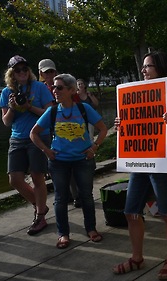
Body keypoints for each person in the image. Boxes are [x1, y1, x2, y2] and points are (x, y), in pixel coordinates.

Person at [112, 51, 167, 279]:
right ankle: (137, 257)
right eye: (143, 67)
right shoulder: (136, 96)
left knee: (166, 213)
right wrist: (121, 126)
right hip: (139, 162)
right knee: (131, 212)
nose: (143, 71)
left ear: (161, 69)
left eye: (148, 66)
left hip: (163, 164)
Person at [30, 73, 107, 249]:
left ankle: (91, 229)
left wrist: (94, 147)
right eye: (53, 88)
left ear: (71, 90)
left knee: (86, 197)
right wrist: (46, 150)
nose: (54, 91)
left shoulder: (83, 109)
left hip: (83, 160)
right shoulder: (52, 111)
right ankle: (63, 234)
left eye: (59, 88)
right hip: (59, 162)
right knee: (60, 198)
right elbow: (33, 133)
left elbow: (103, 129)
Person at [0, 55, 55, 235]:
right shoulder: (7, 92)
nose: (22, 72)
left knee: (38, 177)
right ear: (11, 73)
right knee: (14, 179)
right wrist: (14, 108)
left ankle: (40, 217)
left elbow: (50, 113)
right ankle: (40, 206)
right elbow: (6, 122)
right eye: (17, 70)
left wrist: (30, 107)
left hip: (38, 136)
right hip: (17, 138)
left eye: (24, 69)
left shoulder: (39, 87)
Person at [69, 78, 100, 208]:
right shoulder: (74, 97)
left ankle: (84, 195)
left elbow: (96, 105)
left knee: (89, 139)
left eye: (82, 84)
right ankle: (77, 196)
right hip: (76, 128)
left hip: (89, 121)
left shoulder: (87, 97)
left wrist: (95, 145)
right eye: (78, 84)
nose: (80, 86)